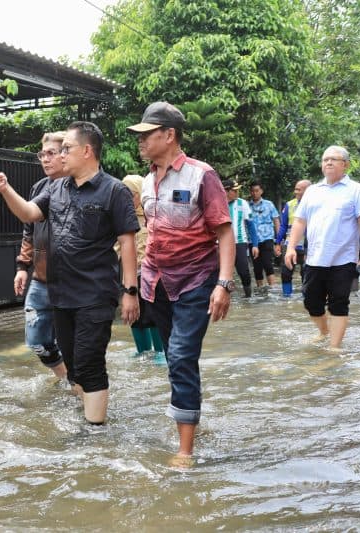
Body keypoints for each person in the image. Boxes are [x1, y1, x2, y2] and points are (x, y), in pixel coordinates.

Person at [0, 121, 140, 425]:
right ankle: (87, 413)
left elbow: (127, 243)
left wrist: (130, 291)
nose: (60, 154)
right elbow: (29, 213)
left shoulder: (113, 190)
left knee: (90, 362)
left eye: (66, 149)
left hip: (95, 294)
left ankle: (95, 429)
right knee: (74, 365)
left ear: (87, 151)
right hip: (60, 292)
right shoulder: (55, 188)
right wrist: (5, 190)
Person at [127, 101, 234, 462]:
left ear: (169, 135)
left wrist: (223, 284)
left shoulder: (201, 176)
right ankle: (191, 419)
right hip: (156, 284)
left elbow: (224, 232)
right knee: (177, 359)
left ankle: (185, 452)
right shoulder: (146, 181)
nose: (140, 141)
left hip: (196, 281)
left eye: (147, 135)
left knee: (181, 354)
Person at [284, 146, 360, 350]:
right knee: (311, 301)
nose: (329, 162)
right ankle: (324, 331)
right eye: (325, 159)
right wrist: (291, 247)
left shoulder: (356, 190)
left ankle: (334, 347)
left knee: (339, 302)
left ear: (346, 164)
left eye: (334, 159)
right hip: (315, 257)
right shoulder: (313, 191)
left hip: (344, 258)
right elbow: (299, 221)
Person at [13, 132, 68, 381]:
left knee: (70, 338)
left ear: (66, 154)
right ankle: (65, 378)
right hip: (41, 277)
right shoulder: (40, 187)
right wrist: (22, 267)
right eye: (42, 154)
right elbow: (29, 229)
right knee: (36, 340)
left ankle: (79, 384)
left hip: (72, 280)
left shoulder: (80, 186)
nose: (45, 159)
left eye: (51, 153)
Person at [120, 175, 165, 360]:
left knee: (154, 314)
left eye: (130, 194)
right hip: (130, 275)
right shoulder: (121, 218)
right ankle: (142, 352)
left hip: (154, 274)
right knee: (134, 316)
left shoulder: (153, 215)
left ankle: (160, 352)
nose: (127, 199)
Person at [274, 179, 311, 297]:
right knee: (285, 272)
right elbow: (283, 225)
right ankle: (287, 297)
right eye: (295, 189)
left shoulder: (315, 205)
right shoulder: (289, 205)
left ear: (307, 191)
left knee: (306, 272)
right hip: (290, 244)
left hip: (309, 245)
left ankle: (306, 296)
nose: (295, 192)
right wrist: (278, 242)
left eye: (298, 190)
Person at [223, 177, 258, 298]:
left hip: (240, 242)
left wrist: (255, 245)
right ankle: (225, 297)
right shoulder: (217, 203)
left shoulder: (242, 203)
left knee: (244, 271)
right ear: (226, 191)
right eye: (234, 190)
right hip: (221, 244)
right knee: (221, 273)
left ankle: (248, 297)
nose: (237, 192)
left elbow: (251, 225)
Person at [248, 181, 280, 292]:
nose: (254, 193)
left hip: (267, 238)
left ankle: (273, 289)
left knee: (267, 263)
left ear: (261, 191)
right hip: (252, 241)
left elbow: (276, 221)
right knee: (257, 266)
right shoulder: (247, 206)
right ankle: (260, 291)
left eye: (257, 190)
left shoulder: (269, 204)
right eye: (252, 191)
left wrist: (278, 240)